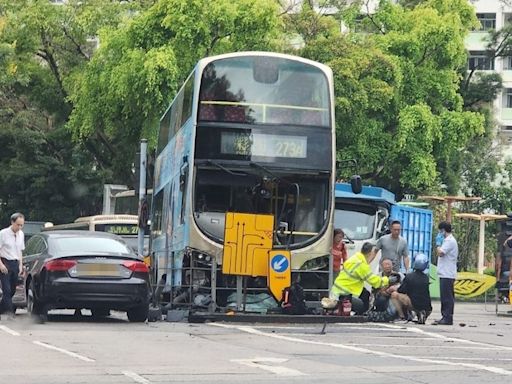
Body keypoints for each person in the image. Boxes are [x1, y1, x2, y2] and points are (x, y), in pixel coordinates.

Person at [324, 242, 397, 315]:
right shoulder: (362, 265)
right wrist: (388, 280)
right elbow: (375, 282)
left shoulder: (354, 258)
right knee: (362, 303)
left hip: (338, 290)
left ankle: (357, 312)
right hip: (346, 293)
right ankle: (361, 314)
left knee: (365, 293)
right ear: (370, 253)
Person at [390, 253, 432, 324]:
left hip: (414, 304)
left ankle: (402, 317)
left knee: (394, 295)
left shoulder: (409, 276)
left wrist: (395, 288)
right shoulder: (426, 278)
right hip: (428, 308)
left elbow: (401, 290)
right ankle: (421, 314)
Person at [0, 212, 25, 318]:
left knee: (13, 290)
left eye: (21, 225)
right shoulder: (3, 234)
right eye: (17, 224)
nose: (19, 227)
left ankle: (1, 308)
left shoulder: (21, 234)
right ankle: (10, 314)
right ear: (12, 222)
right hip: (5, 262)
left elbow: (20, 251)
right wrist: (1, 265)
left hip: (15, 263)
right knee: (7, 290)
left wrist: (20, 265)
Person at [434, 221, 458, 325]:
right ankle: (445, 316)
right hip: (445, 273)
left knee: (447, 297)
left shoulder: (449, 241)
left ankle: (447, 317)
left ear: (444, 230)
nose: (439, 233)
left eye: (440, 231)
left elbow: (440, 253)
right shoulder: (447, 240)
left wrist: (438, 244)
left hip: (447, 273)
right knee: (445, 296)